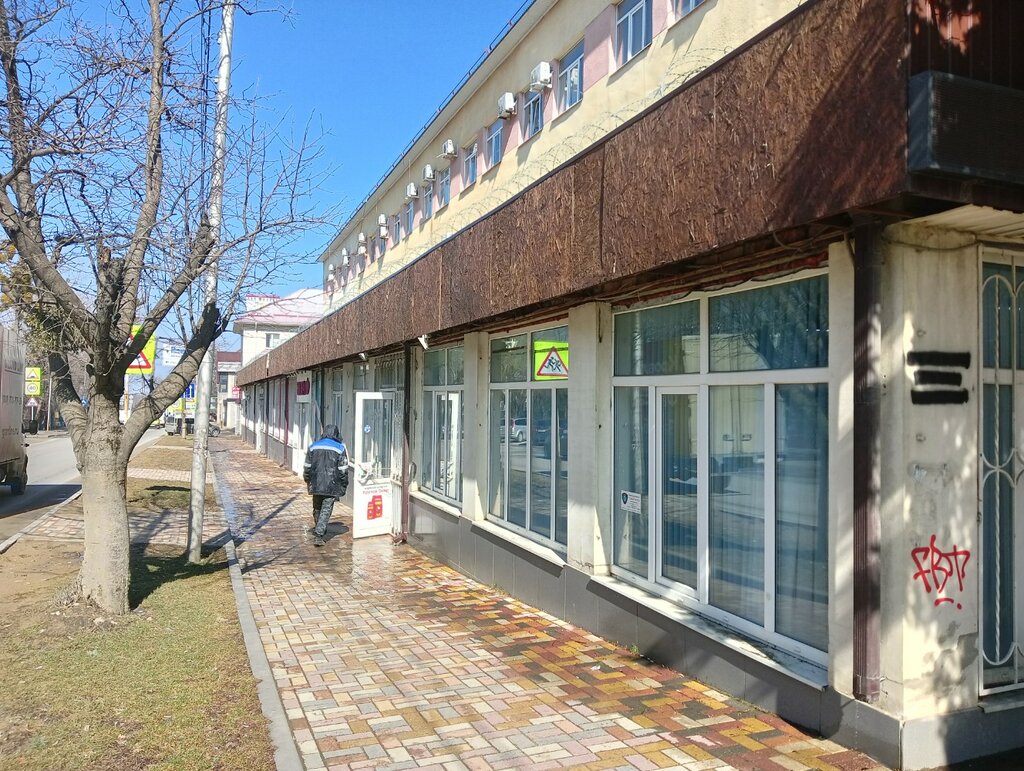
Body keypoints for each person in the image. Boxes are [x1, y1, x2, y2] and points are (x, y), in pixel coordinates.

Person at [302, 424, 349, 546]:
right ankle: (319, 534)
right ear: (336, 434)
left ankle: (319, 527)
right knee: (326, 509)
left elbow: (307, 466)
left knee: (317, 507)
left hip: (315, 483)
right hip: (331, 485)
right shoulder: (340, 448)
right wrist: (344, 484)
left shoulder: (313, 446)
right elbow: (343, 469)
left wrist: (307, 479)